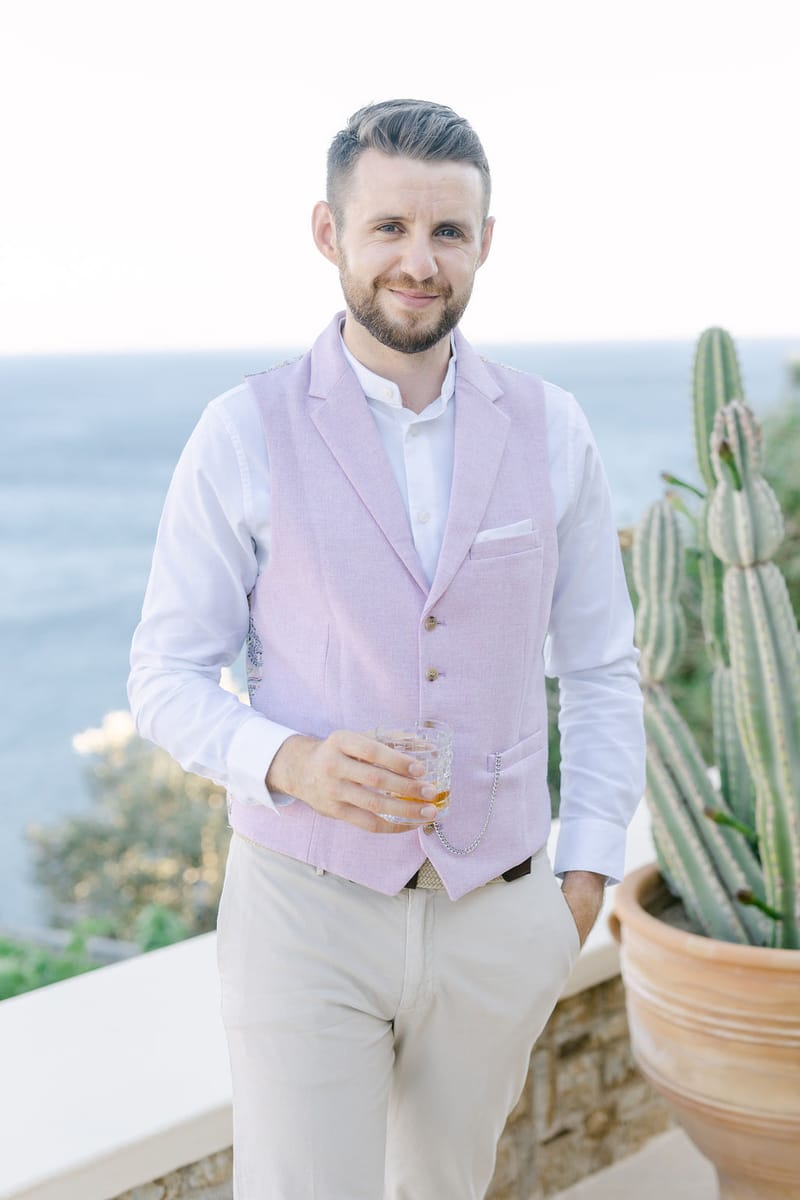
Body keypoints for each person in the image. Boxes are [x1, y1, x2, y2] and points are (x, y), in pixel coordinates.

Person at [128, 98, 645, 1200]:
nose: (418, 261)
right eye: (388, 229)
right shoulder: (242, 431)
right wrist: (290, 762)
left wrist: (583, 876)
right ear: (330, 235)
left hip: (495, 910)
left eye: (447, 233)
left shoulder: (550, 428)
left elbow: (599, 668)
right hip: (305, 910)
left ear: (484, 243)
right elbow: (164, 676)